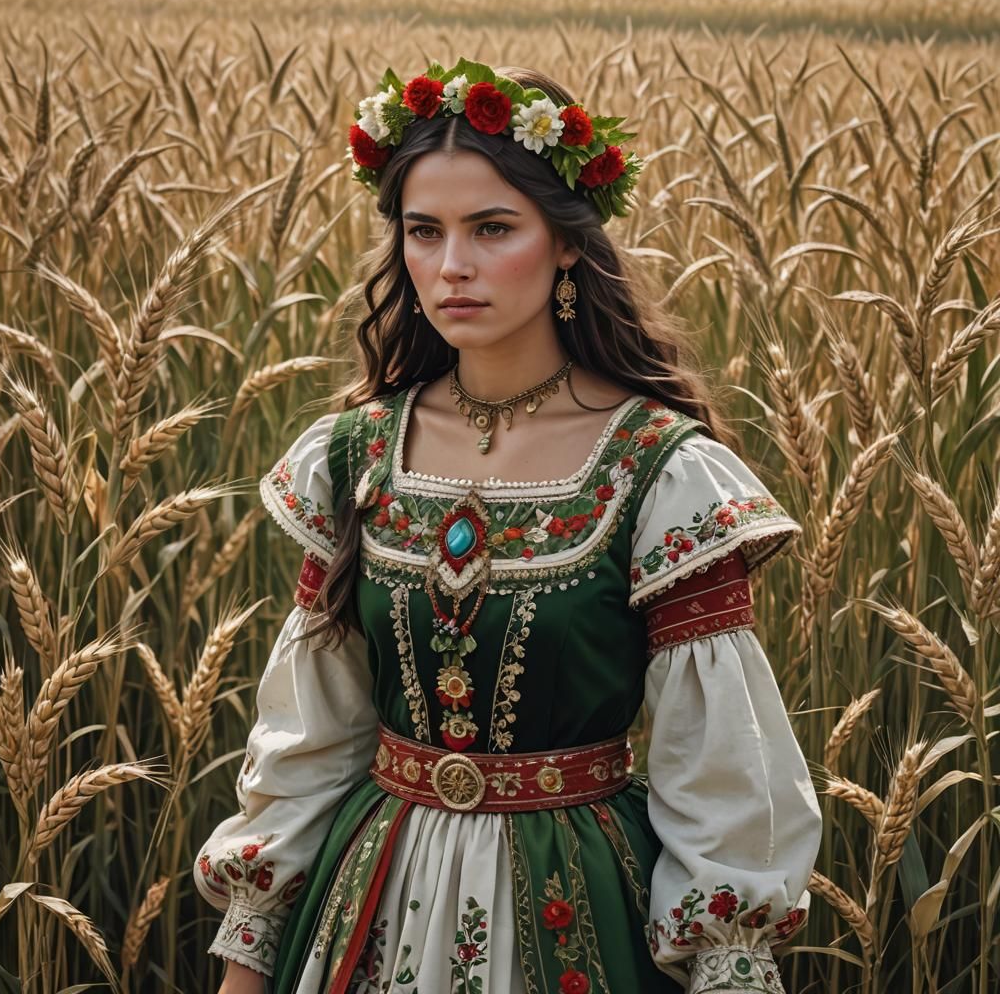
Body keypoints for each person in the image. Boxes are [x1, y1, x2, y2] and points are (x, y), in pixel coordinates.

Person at [193, 58, 823, 994]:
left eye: (493, 229)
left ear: (567, 243)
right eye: (424, 231)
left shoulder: (659, 468)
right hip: (370, 898)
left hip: (578, 907)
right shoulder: (356, 455)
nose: (453, 267)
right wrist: (248, 961)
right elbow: (310, 734)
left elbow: (722, 770)